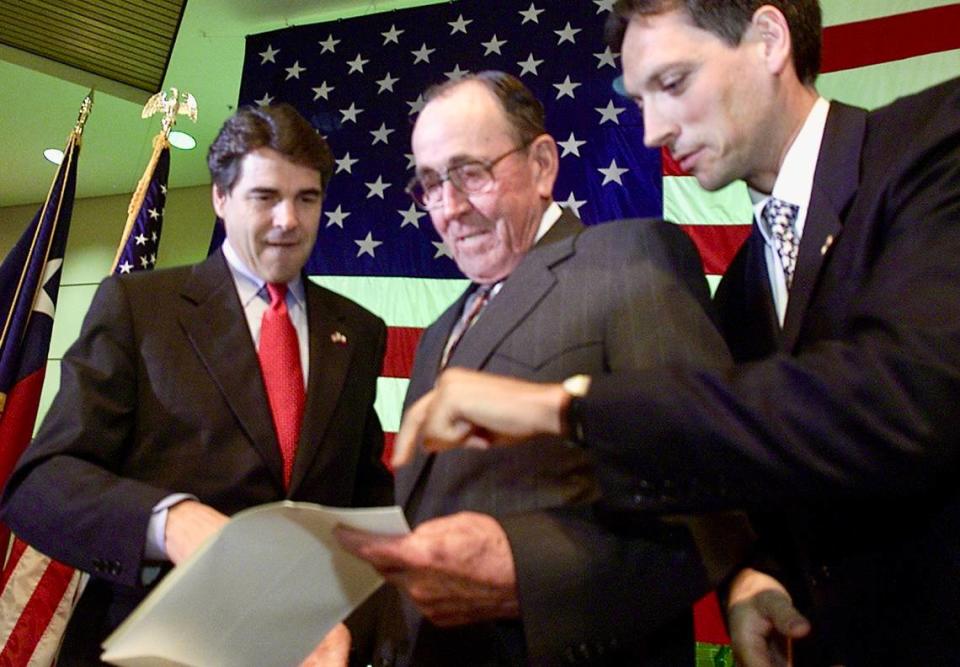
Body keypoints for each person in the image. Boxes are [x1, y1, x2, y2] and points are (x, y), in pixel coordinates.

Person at [389, 2, 960, 665]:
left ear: (769, 39)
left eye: (672, 82)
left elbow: (906, 397)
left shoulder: (934, 142)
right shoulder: (747, 282)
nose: (654, 131)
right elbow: (753, 465)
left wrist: (562, 406)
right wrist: (757, 571)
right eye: (640, 99)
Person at [336, 71, 750, 666]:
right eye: (430, 184)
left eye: (470, 173)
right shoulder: (434, 339)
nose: (449, 208)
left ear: (541, 165)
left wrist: (522, 572)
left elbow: (716, 498)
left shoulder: (628, 260)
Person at [0, 104, 393, 665]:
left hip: (302, 647)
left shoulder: (356, 331)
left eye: (306, 199)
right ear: (221, 198)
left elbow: (363, 498)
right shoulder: (140, 309)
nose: (288, 219)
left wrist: (359, 622)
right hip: (155, 644)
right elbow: (41, 483)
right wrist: (172, 520)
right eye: (265, 197)